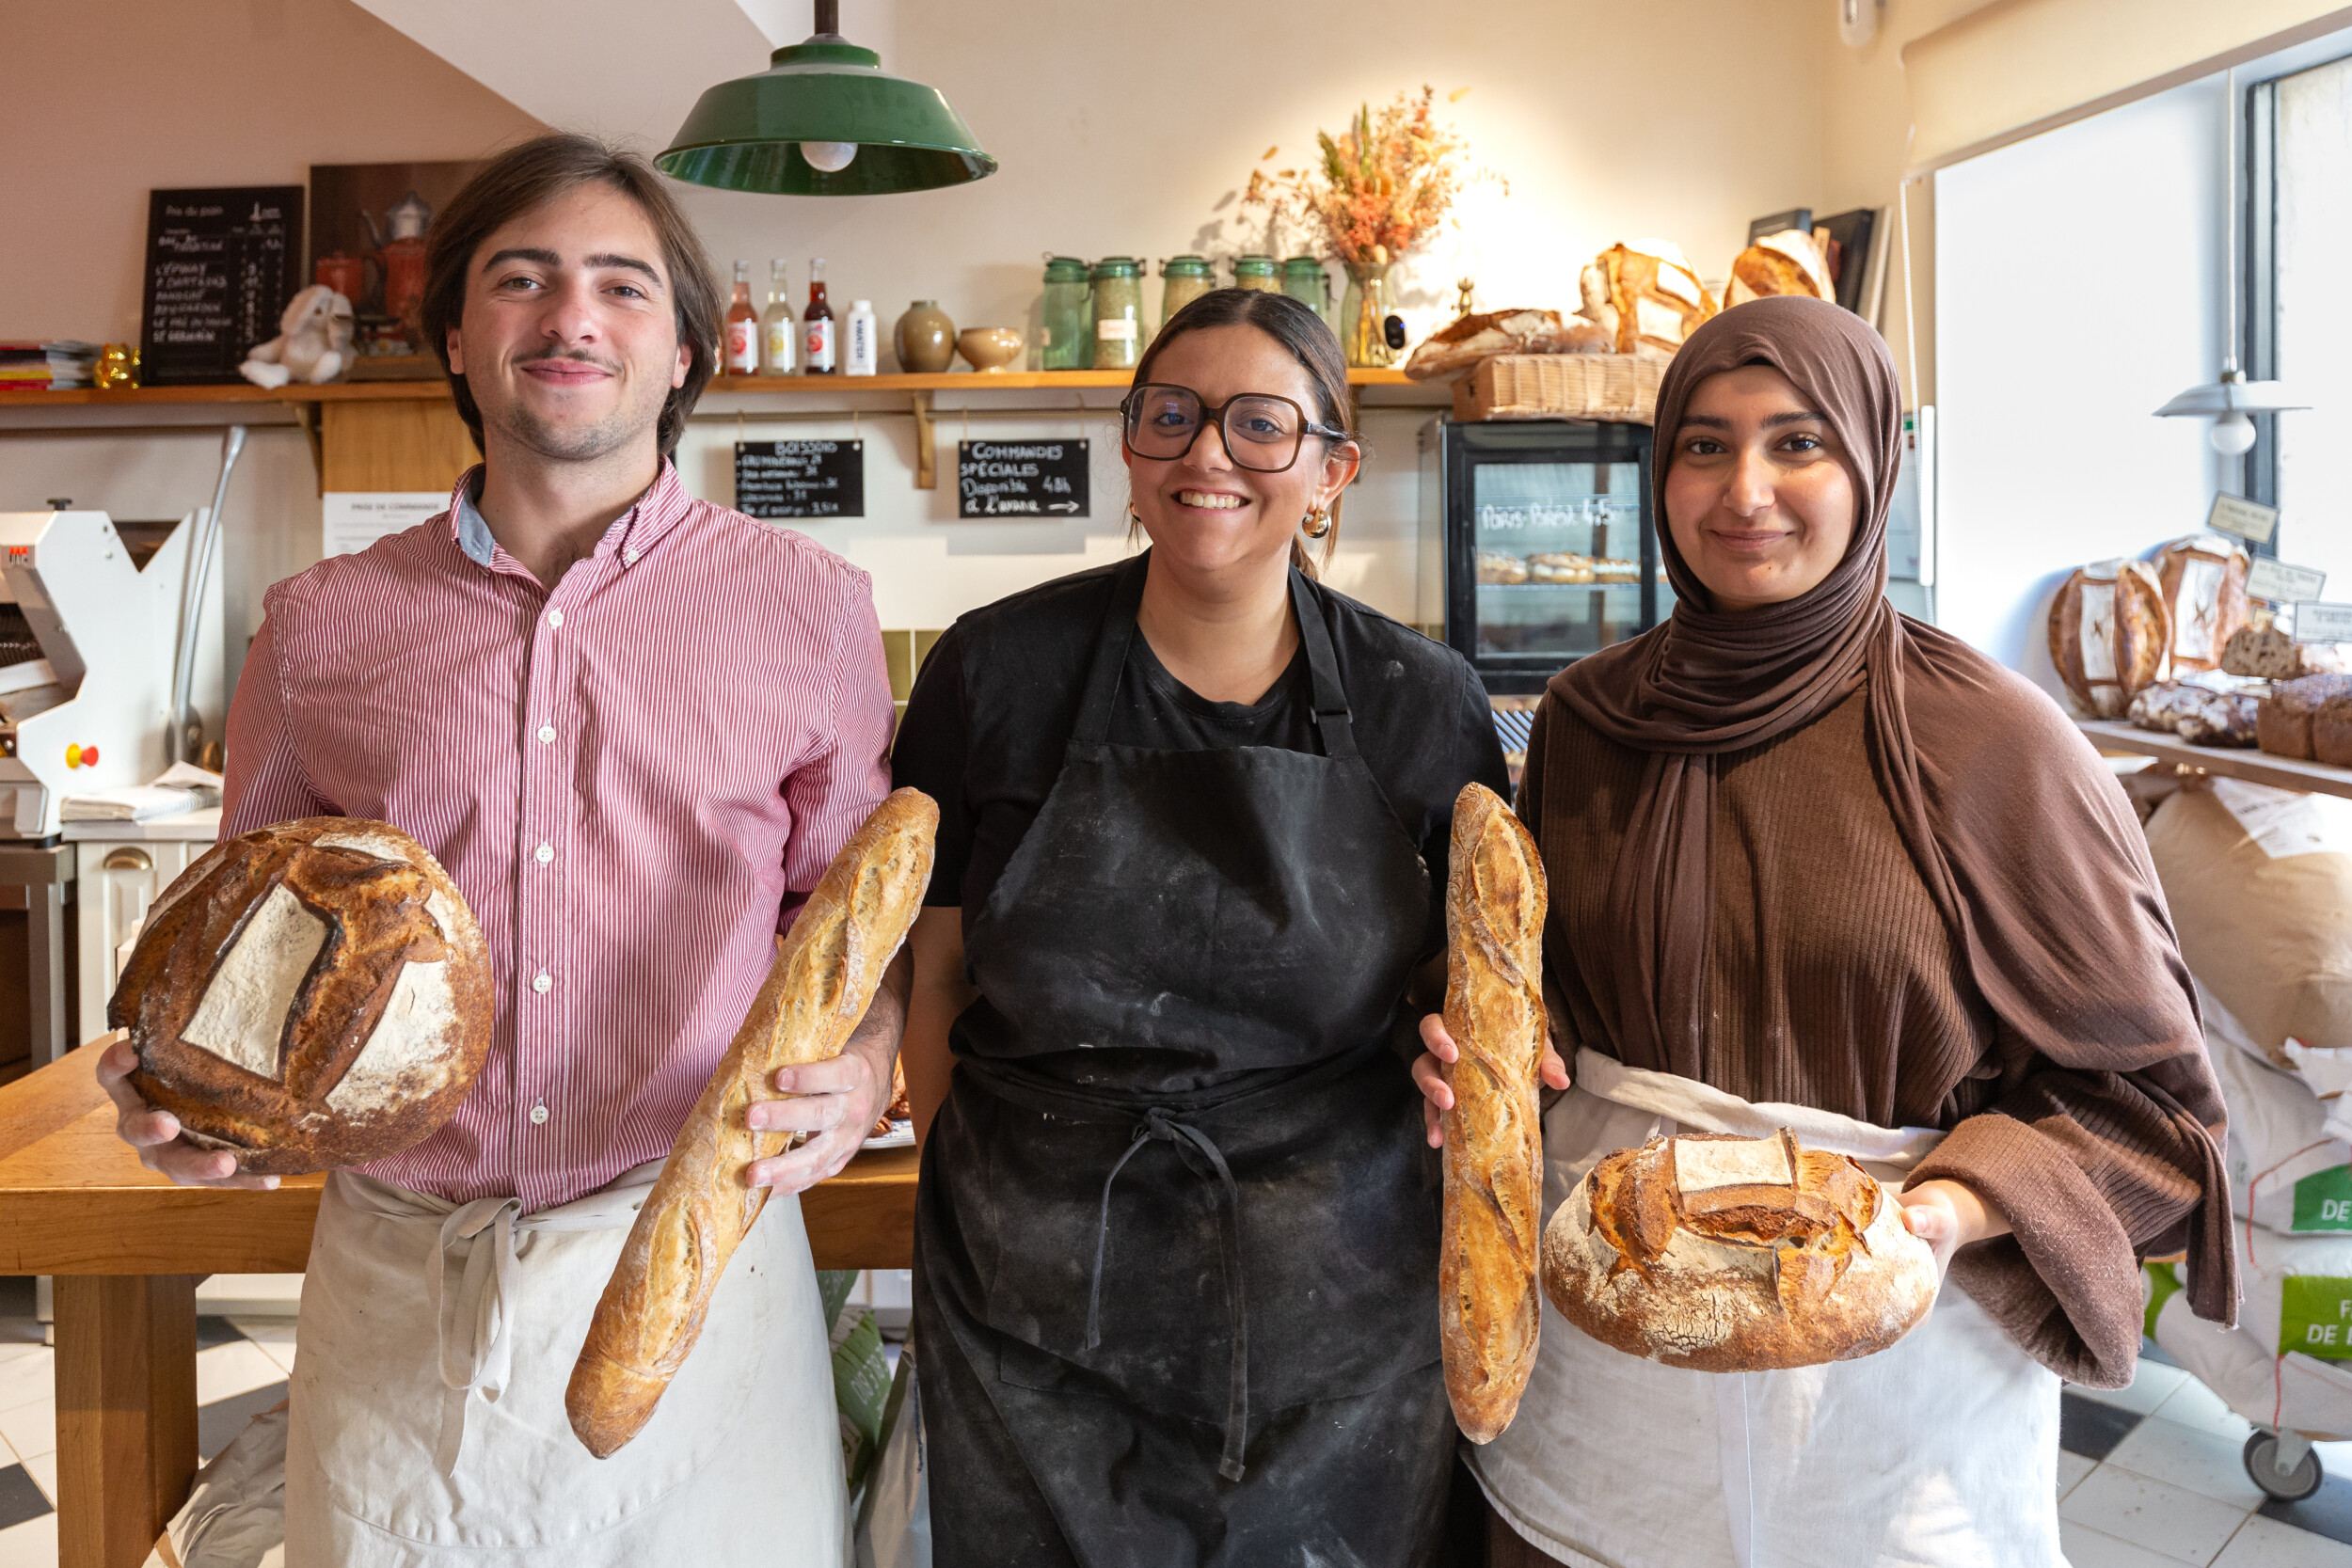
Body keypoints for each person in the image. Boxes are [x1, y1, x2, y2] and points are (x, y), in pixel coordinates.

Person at [95, 134, 900, 1565]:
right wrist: (206, 1114)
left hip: (692, 1273)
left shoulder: (809, 610)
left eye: (620, 286)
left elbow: (849, 923)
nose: (570, 316)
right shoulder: (320, 624)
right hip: (404, 1284)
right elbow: (250, 963)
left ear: (683, 349)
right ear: (458, 339)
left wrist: (873, 1059)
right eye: (520, 279)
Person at [1413, 294, 2234, 1568]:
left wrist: (1943, 1217)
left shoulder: (1992, 746)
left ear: (1872, 463)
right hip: (1611, 1385)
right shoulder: (1588, 719)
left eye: (1798, 443)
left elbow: (2151, 1115)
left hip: (1888, 1410)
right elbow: (1558, 995)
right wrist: (1491, 1055)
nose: (1747, 490)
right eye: (1704, 445)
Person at [890, 289, 1512, 1566]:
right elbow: (938, 969)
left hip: (1340, 1323)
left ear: (1333, 469)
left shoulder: (1419, 701)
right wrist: (996, 1212)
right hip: (1034, 1314)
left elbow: (1469, 988)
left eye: (1259, 426)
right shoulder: (993, 673)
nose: (1207, 457)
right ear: (1129, 443)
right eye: (1171, 418)